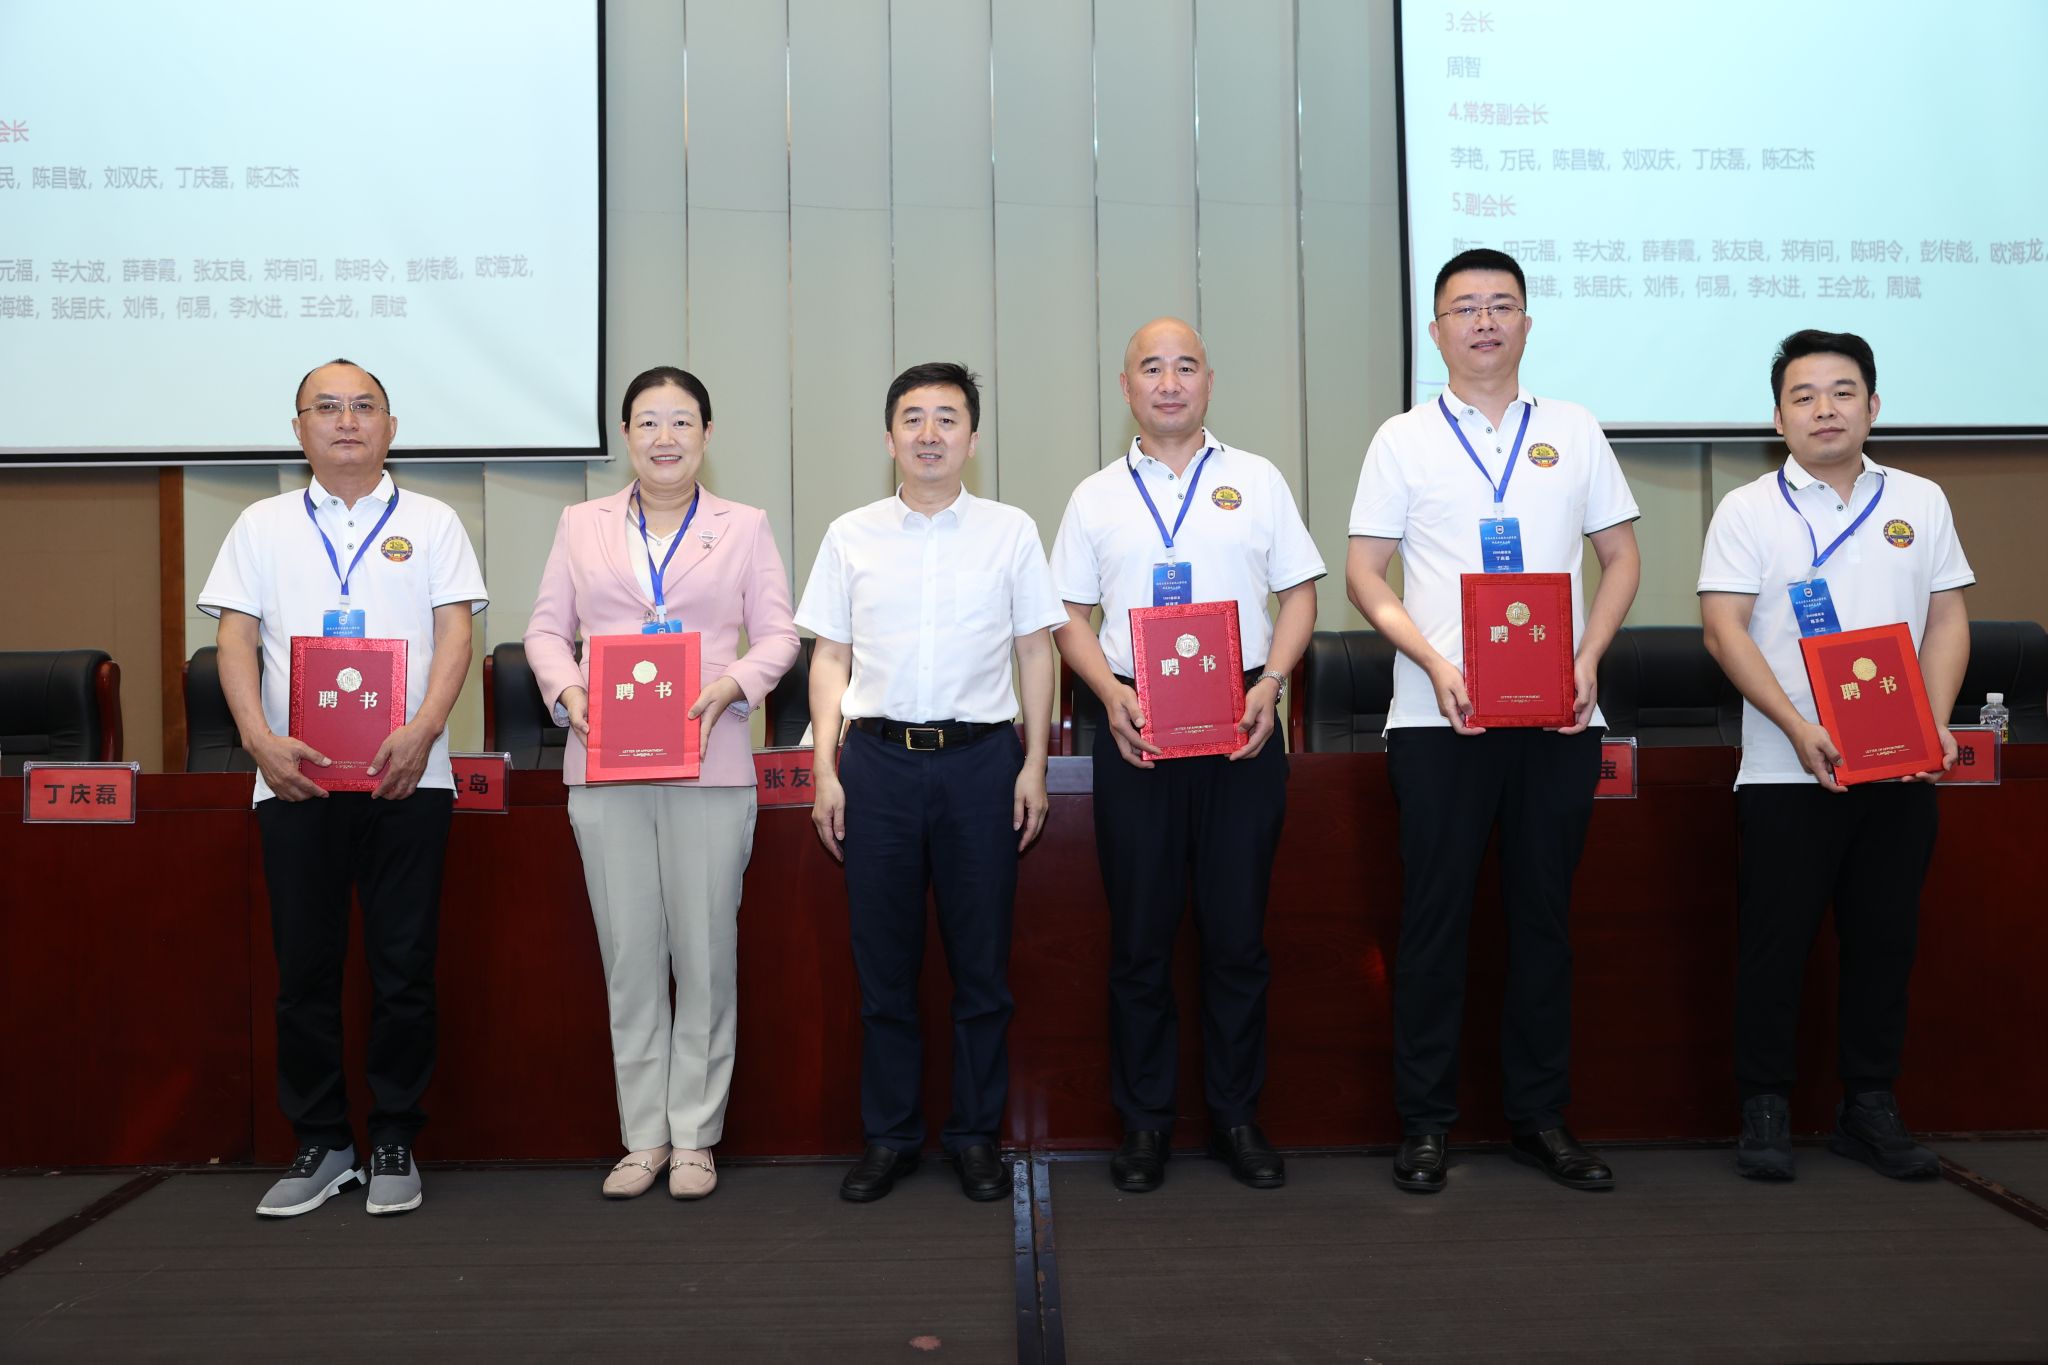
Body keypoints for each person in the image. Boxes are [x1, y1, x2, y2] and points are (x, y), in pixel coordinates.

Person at [1346, 250, 1641, 1193]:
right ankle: (1425, 1121)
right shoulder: (1402, 439)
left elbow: (1622, 558)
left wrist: (1588, 657)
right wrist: (1435, 663)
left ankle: (1540, 1117)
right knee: (1434, 924)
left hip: (1560, 720)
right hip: (1440, 722)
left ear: (1527, 323)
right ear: (1436, 331)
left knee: (1542, 923)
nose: (1484, 321)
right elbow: (1363, 573)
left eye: (1502, 305)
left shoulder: (1574, 429)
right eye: (1465, 307)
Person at [199, 358, 487, 1218]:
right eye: (327, 407)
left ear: (392, 427)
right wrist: (257, 740)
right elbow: (235, 640)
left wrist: (424, 727)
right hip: (295, 781)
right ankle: (323, 1140)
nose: (347, 420)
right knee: (304, 971)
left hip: (410, 777)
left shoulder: (433, 521)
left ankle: (395, 1133)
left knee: (404, 968)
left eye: (365, 406)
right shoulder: (260, 524)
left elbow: (455, 635)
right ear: (299, 429)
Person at [1049, 317, 1323, 1193]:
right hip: (1137, 724)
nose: (1169, 383)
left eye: (1185, 367)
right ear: (1126, 386)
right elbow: (1068, 617)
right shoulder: (1095, 496)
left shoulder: (1258, 480)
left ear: (1209, 379)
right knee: (1139, 941)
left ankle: (1238, 1117)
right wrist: (1109, 695)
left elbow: (1300, 595)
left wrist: (1271, 683)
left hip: (1242, 722)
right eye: (1151, 368)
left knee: (1237, 937)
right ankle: (1144, 1124)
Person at [1699, 330, 1971, 1182]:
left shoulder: (1921, 499)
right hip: (1788, 768)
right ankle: (1764, 1105)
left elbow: (1948, 619)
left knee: (1885, 941)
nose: (1826, 408)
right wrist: (1794, 725)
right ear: (1777, 417)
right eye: (1804, 395)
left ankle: (1869, 1104)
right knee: (1775, 945)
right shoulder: (1749, 509)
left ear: (1873, 406)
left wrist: (1933, 722)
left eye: (1843, 391)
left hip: (1899, 766)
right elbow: (1723, 629)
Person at [524, 366, 799, 1200]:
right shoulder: (581, 524)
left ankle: (695, 1137)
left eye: (682, 421)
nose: (665, 437)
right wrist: (570, 692)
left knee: (706, 954)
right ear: (625, 436)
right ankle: (642, 1135)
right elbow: (545, 631)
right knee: (630, 953)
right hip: (606, 761)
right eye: (648, 421)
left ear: (707, 435)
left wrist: (733, 684)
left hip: (709, 759)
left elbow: (780, 635)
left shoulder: (743, 526)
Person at [795, 362, 1064, 1204]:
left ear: (972, 439)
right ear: (889, 438)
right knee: (884, 967)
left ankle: (976, 1137)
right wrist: (824, 768)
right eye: (913, 418)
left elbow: (1035, 650)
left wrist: (1034, 762)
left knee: (981, 967)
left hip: (982, 763)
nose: (929, 433)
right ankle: (890, 1136)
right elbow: (829, 656)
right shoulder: (850, 534)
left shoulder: (1011, 531)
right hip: (875, 764)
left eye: (948, 418)